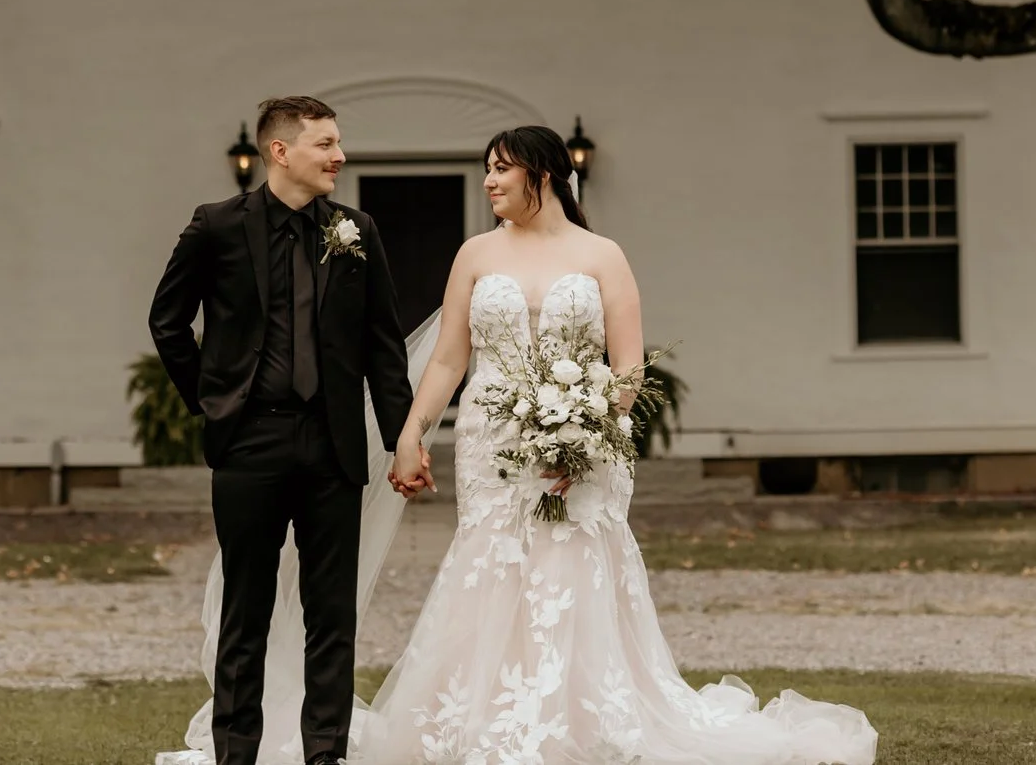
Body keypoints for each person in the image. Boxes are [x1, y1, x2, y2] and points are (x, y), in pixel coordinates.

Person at [351, 125, 879, 765]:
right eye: (487, 169)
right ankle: (488, 720)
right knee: (491, 567)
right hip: (491, 443)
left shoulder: (602, 255)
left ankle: (580, 723)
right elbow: (446, 362)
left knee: (572, 568)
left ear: (542, 175)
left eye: (501, 169)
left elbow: (627, 367)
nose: (489, 180)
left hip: (584, 442)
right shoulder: (475, 255)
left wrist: (584, 440)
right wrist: (411, 435)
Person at [149, 95, 418, 765]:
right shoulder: (216, 226)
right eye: (325, 143)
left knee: (332, 616)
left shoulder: (357, 230)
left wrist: (401, 437)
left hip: (333, 446)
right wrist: (213, 403)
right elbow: (168, 321)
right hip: (250, 443)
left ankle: (325, 754)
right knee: (249, 609)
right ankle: (235, 754)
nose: (340, 155)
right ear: (280, 151)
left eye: (337, 141)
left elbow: (383, 344)